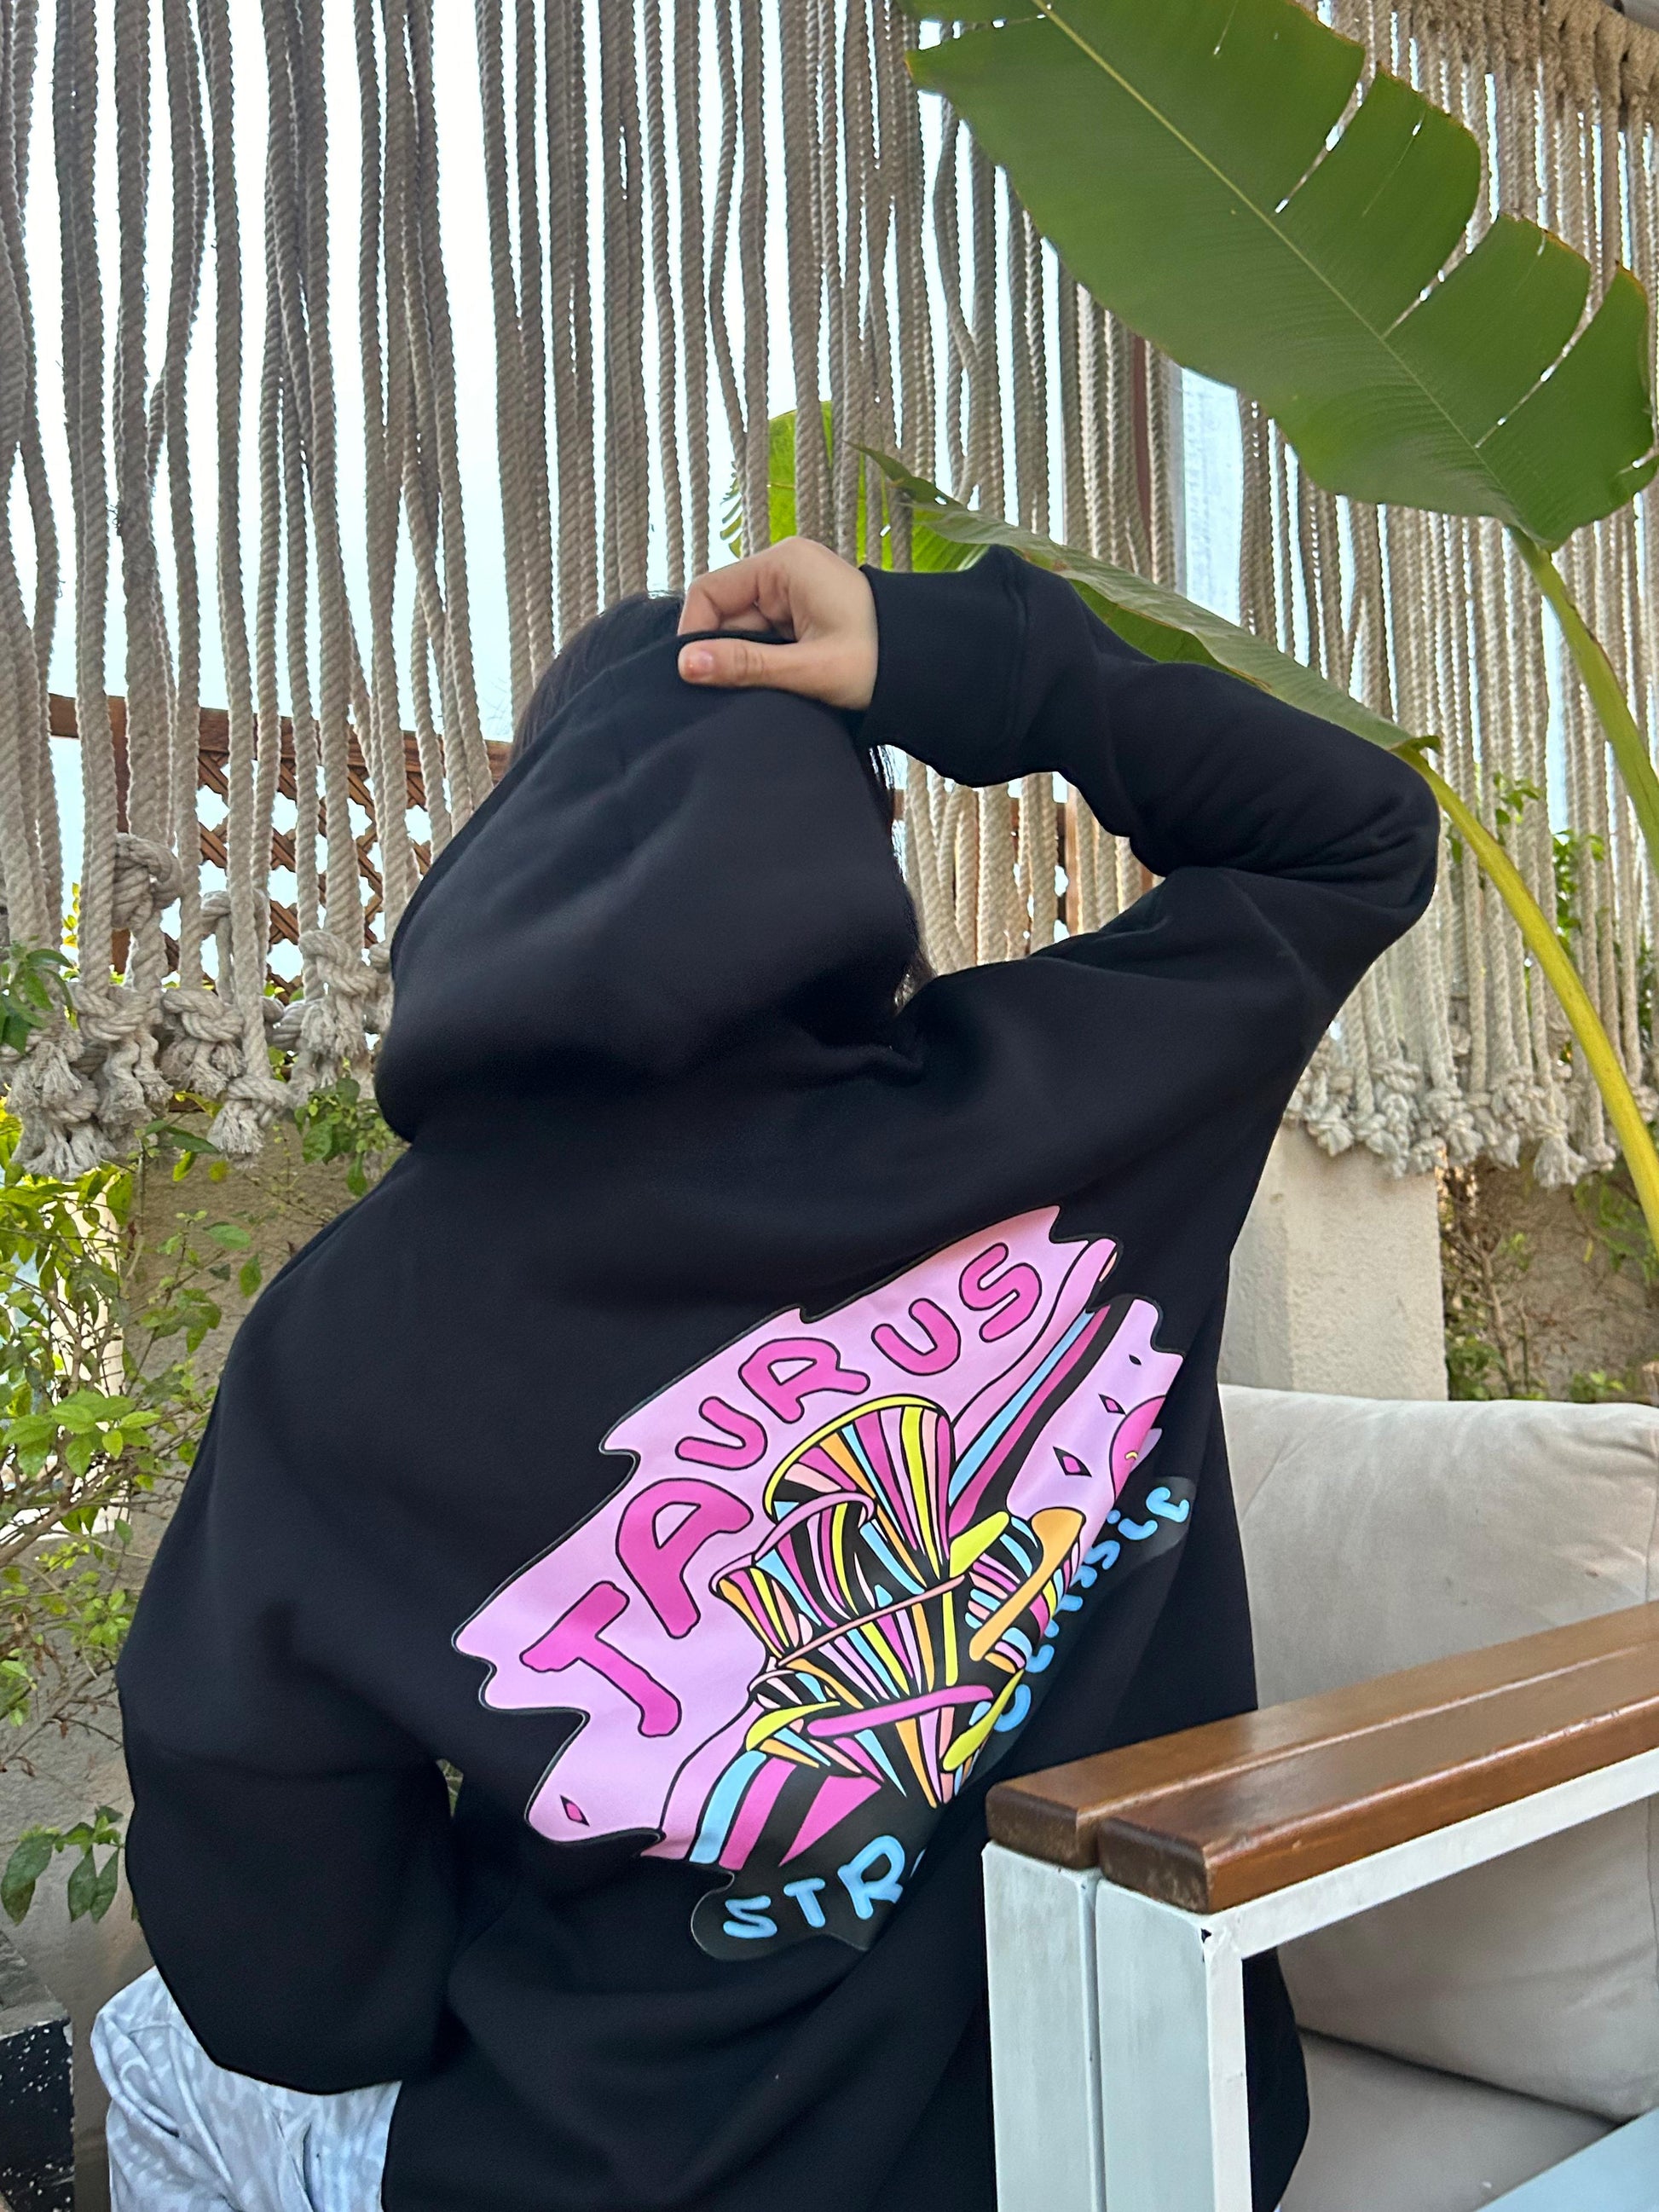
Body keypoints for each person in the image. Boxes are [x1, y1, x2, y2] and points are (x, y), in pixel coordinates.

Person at [96, 537, 1439, 2212]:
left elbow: (277, 1908)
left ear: (505, 860)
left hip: (629, 2160)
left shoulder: (341, 1332)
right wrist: (958, 655)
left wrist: (389, 2004)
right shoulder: (1080, 1097)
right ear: (837, 854)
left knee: (146, 2050)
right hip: (1155, 2128)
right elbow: (1354, 830)